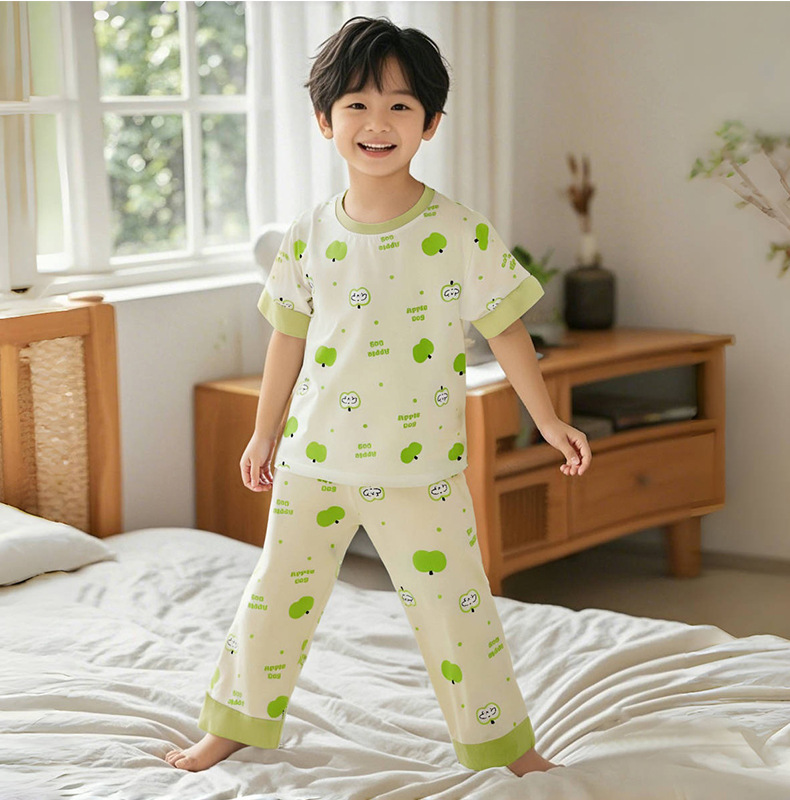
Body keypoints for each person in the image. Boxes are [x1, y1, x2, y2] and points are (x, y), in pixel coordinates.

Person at [166, 15, 591, 778]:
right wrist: (263, 434)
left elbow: (506, 330)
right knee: (273, 600)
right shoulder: (306, 235)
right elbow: (287, 339)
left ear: (431, 123)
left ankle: (507, 746)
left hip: (420, 467)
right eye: (357, 104)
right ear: (324, 119)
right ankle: (234, 724)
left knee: (457, 610)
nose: (377, 122)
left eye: (400, 105)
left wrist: (549, 419)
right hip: (312, 460)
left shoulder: (459, 231)